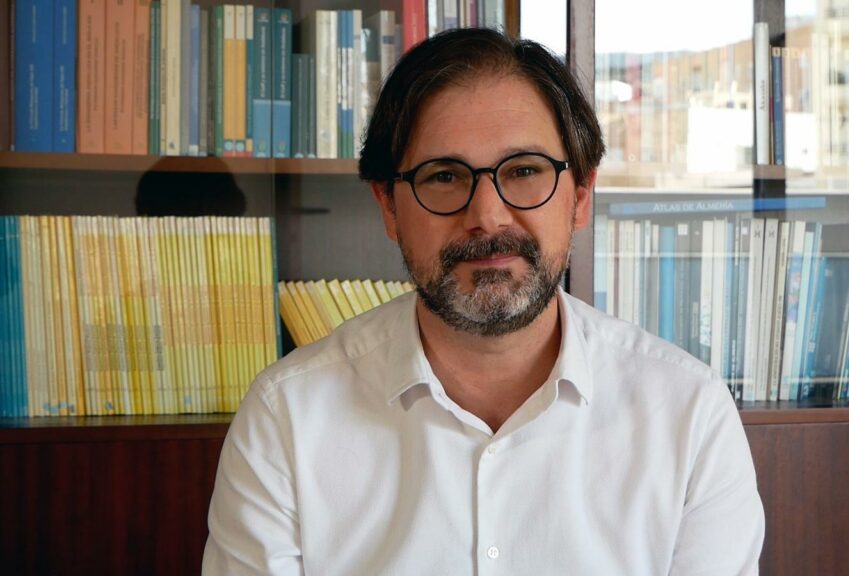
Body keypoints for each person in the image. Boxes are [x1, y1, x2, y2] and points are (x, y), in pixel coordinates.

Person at [202, 27, 764, 575]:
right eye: (444, 176)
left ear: (580, 197)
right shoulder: (287, 417)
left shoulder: (689, 416)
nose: (488, 217)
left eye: (524, 171)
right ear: (389, 207)